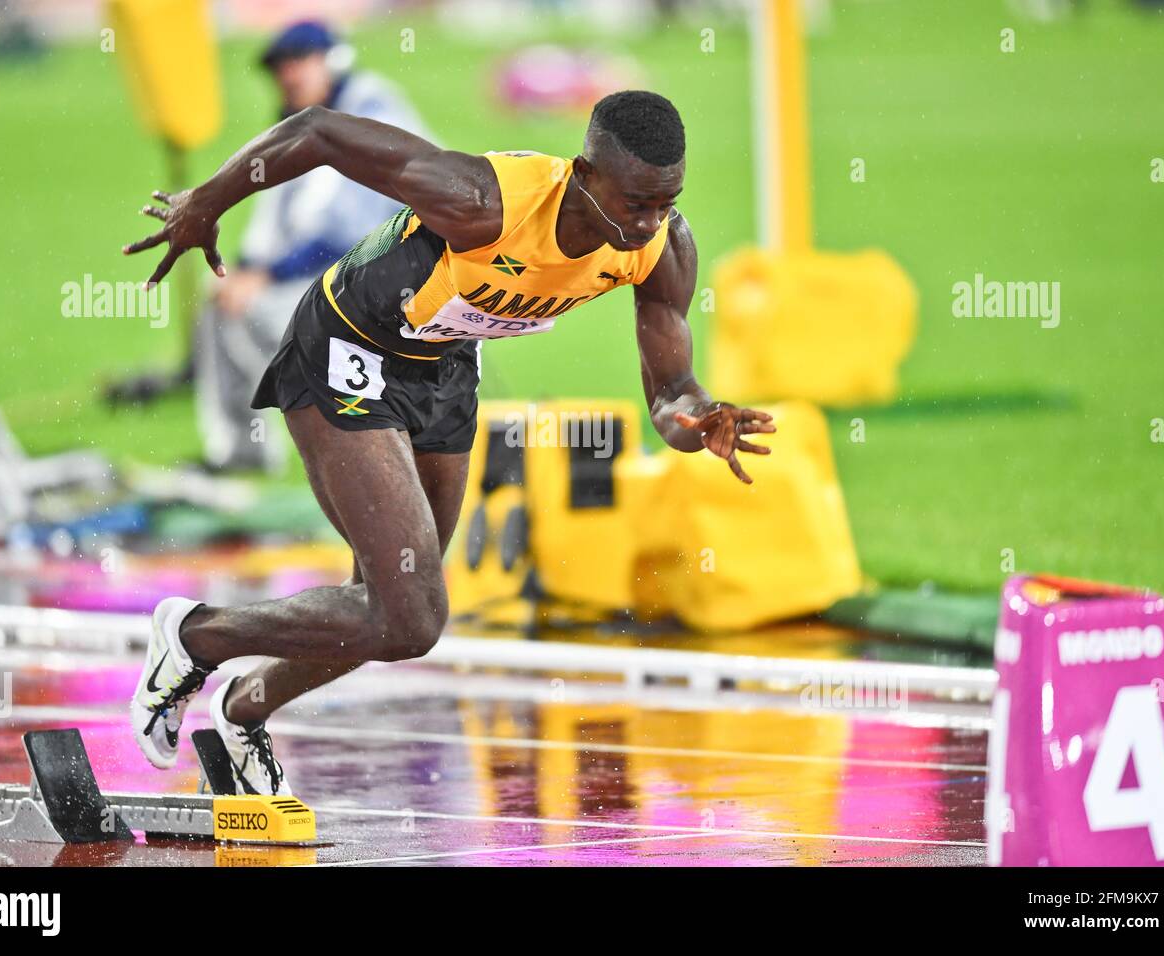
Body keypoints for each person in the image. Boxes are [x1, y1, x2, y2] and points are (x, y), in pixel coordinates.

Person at [123, 90, 774, 795]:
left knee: (391, 609)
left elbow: (671, 390)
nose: (649, 222)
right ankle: (192, 637)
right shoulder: (482, 200)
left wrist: (698, 419)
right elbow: (319, 132)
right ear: (587, 174)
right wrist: (208, 202)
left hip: (446, 369)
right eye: (637, 202)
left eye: (667, 202)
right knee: (410, 614)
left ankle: (243, 709)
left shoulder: (661, 248)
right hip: (349, 346)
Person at [195, 20, 427, 471]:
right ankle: (246, 452)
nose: (288, 74)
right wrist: (242, 272)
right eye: (282, 66)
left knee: (261, 314)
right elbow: (276, 221)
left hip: (398, 284)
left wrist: (264, 278)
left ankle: (355, 439)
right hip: (343, 275)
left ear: (332, 60)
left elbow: (350, 233)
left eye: (299, 61)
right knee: (222, 305)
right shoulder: (299, 123)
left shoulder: (370, 111)